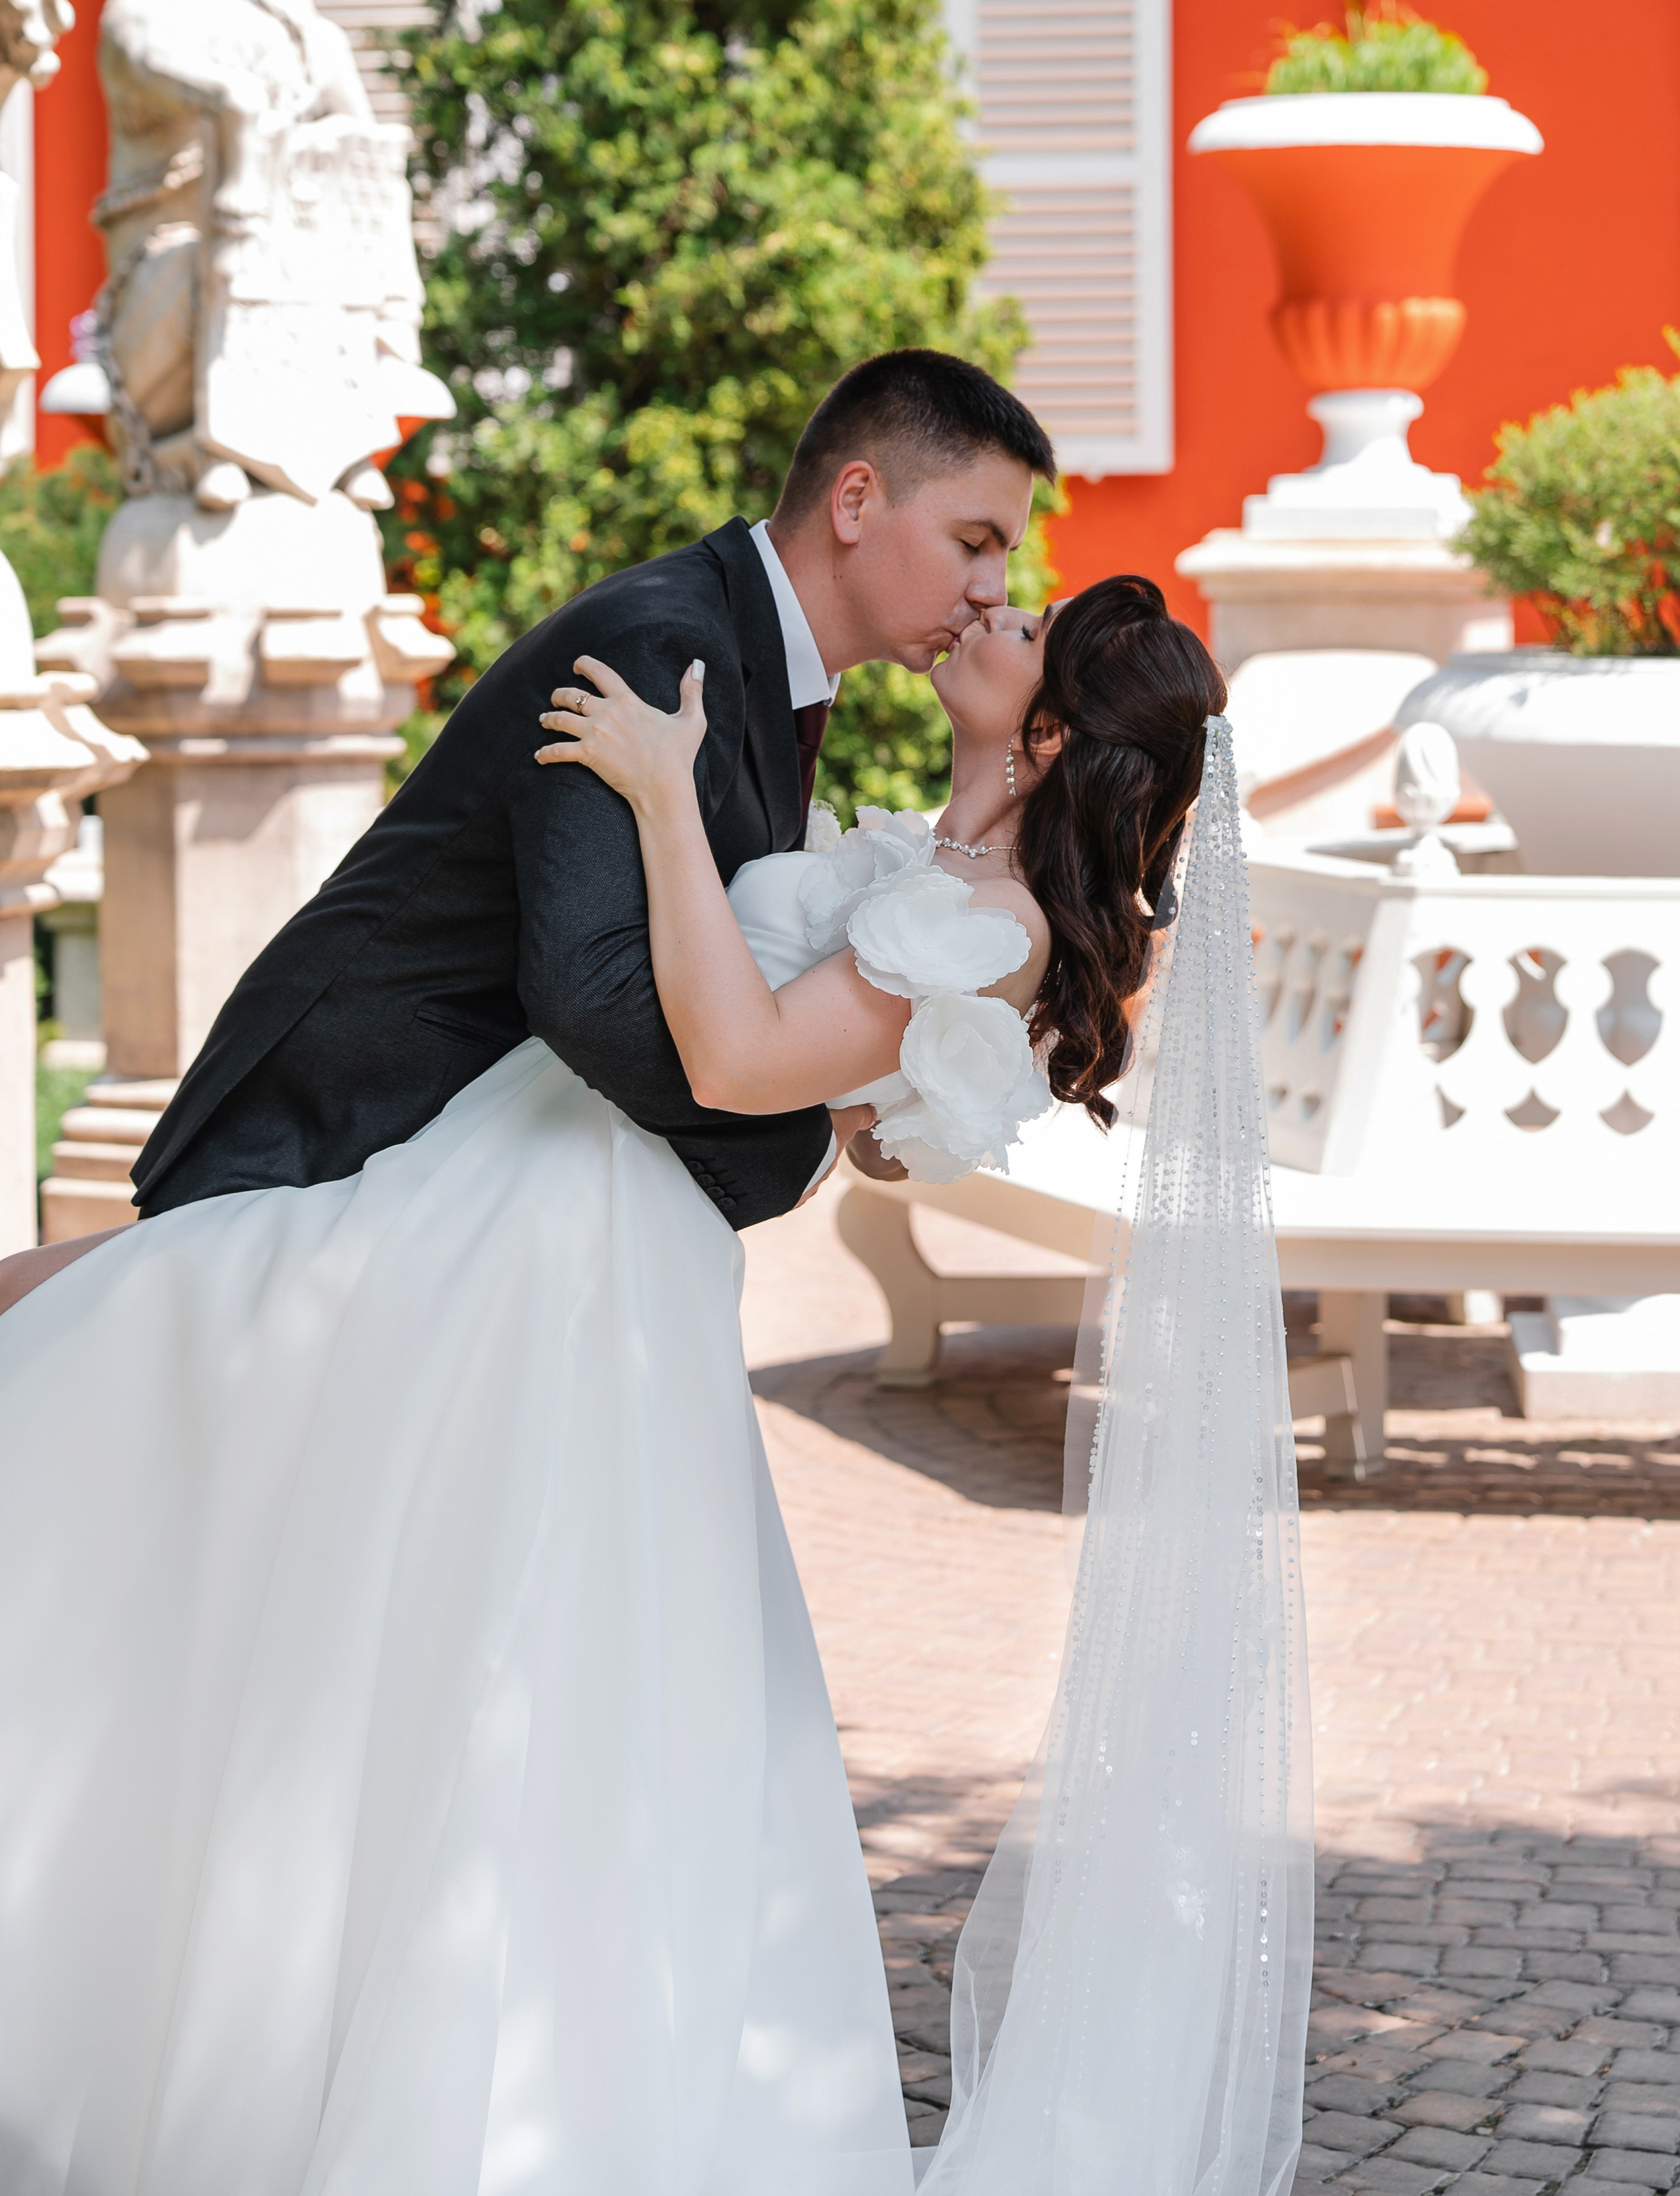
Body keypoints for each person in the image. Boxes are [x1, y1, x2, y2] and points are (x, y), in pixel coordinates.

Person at [0, 505, 1292, 2190]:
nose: (991, 606)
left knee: (196, 1373)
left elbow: (740, 1055)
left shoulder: (985, 920)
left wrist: (665, 794)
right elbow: (849, 1095)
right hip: (505, 1175)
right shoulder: (942, 870)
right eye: (990, 569)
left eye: (1024, 618)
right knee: (274, 1464)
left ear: (1045, 733)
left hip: (567, 1233)